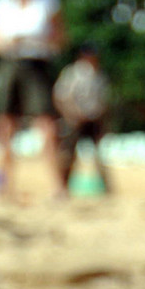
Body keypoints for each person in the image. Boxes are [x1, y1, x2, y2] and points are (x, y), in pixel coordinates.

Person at [0, 0, 66, 198]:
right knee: (4, 123)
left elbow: (61, 38)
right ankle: (5, 186)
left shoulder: (46, 0)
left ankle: (57, 186)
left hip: (37, 64)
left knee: (46, 124)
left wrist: (39, 40)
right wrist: (5, 42)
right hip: (8, 63)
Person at [52, 44, 112, 193]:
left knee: (99, 154)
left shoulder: (99, 74)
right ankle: (63, 186)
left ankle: (106, 188)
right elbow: (61, 97)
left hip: (94, 120)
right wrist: (72, 114)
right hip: (75, 121)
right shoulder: (72, 73)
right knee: (68, 155)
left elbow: (104, 100)